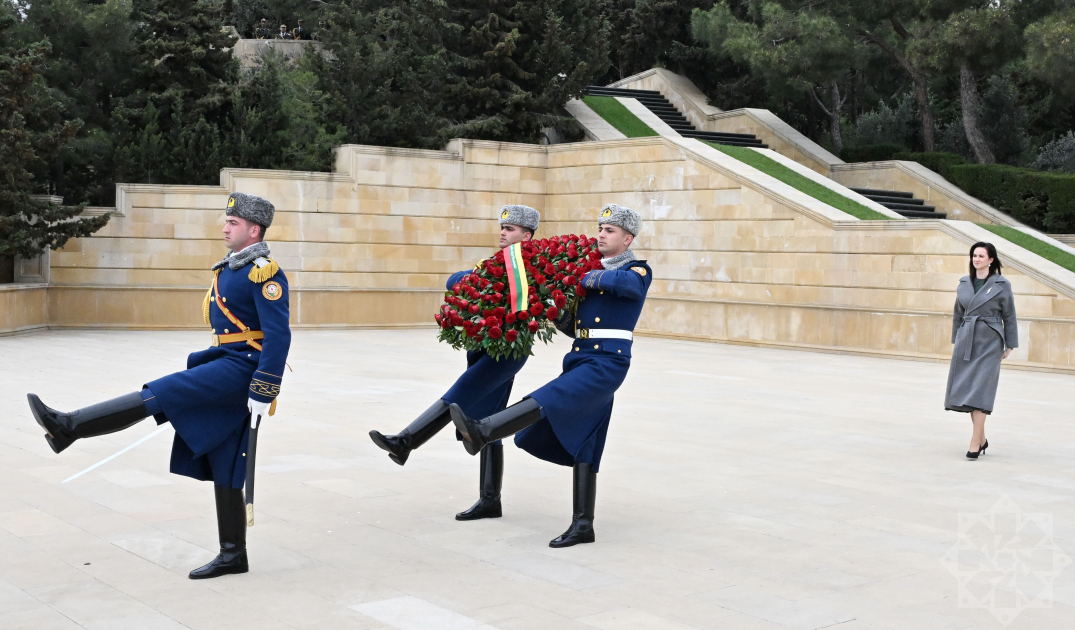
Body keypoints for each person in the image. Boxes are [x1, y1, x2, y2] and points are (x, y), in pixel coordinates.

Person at [27, 192, 291, 579]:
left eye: (233, 223)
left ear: (254, 231)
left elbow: (279, 336)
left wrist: (264, 389)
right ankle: (233, 555)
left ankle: (71, 425)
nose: (225, 228)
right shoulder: (231, 268)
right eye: (227, 221)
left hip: (242, 368)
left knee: (162, 392)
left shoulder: (265, 273)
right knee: (226, 460)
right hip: (223, 362)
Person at [449, 203, 651, 547]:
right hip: (581, 356)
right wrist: (556, 312)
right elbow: (575, 328)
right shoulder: (592, 269)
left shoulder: (636, 270)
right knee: (588, 442)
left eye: (610, 231)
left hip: (608, 362)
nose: (601, 235)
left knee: (550, 397)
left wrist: (580, 275)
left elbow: (627, 286)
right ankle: (583, 525)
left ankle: (484, 430)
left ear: (627, 239)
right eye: (600, 229)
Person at [369, 205, 541, 520]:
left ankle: (406, 440)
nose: (503, 233)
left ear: (527, 235)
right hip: (486, 346)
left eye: (511, 229)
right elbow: (455, 280)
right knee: (489, 421)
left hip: (509, 350)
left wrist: (479, 282)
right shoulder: (494, 263)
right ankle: (490, 500)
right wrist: (477, 279)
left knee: (461, 393)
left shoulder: (533, 265)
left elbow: (506, 291)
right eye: (502, 227)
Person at [945, 241, 1018, 459]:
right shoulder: (964, 283)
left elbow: (1009, 315)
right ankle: (982, 438)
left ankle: (975, 442)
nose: (976, 259)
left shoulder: (1002, 284)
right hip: (967, 340)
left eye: (981, 256)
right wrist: (957, 339)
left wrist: (1010, 344)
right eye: (974, 256)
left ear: (991, 260)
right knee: (969, 390)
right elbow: (958, 314)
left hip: (990, 342)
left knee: (981, 391)